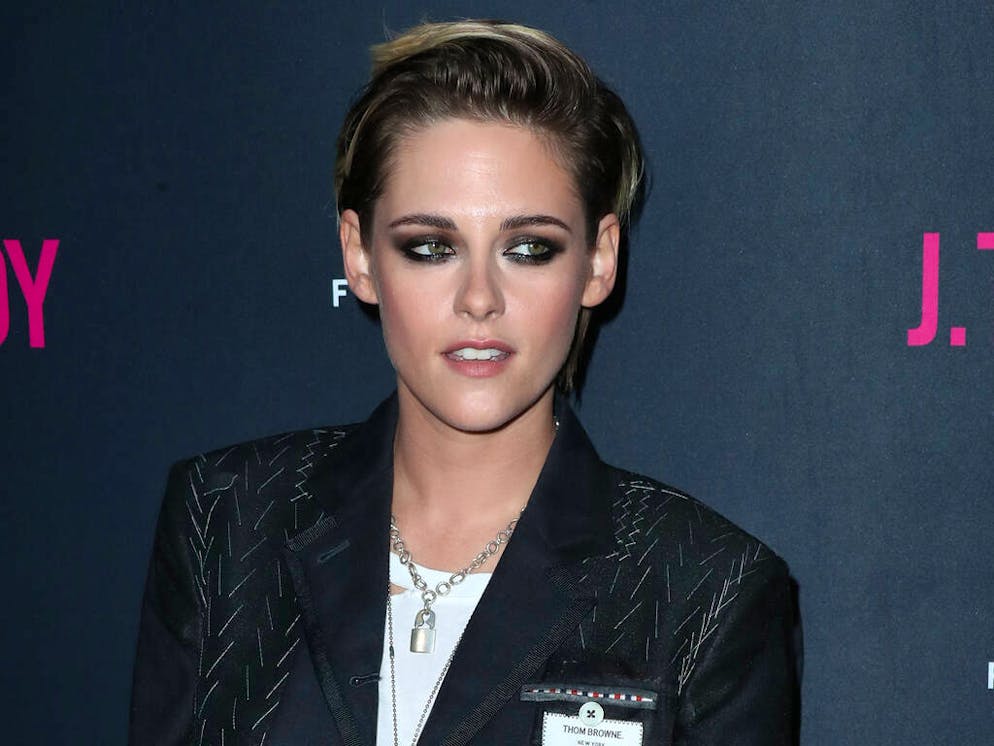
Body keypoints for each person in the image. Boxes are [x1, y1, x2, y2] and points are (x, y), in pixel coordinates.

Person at [129, 19, 798, 745]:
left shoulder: (705, 589)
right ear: (359, 256)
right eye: (430, 247)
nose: (479, 298)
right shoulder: (226, 520)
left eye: (529, 248)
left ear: (599, 260)